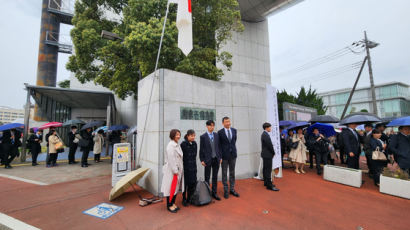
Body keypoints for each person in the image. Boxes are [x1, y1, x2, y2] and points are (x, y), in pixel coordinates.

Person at [161, 129, 184, 213]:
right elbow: (171, 159)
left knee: (175, 188)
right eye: (176, 135)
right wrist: (175, 170)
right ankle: (169, 205)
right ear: (172, 135)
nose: (178, 136)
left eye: (179, 134)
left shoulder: (176, 145)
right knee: (171, 188)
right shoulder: (170, 146)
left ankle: (173, 203)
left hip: (177, 170)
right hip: (172, 171)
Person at [199, 120, 222, 201]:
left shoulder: (216, 135)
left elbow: (219, 147)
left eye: (213, 125)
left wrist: (220, 157)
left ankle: (214, 193)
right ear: (207, 126)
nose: (212, 127)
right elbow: (201, 149)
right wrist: (201, 160)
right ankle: (207, 194)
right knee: (207, 177)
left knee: (215, 177)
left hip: (216, 159)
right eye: (210, 126)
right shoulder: (203, 136)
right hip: (207, 160)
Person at [218, 117, 239, 199]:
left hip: (233, 155)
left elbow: (234, 141)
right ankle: (226, 190)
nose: (228, 123)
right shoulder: (220, 132)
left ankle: (232, 189)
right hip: (224, 156)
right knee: (224, 173)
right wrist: (220, 156)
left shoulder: (234, 130)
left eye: (229, 121)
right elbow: (219, 145)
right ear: (223, 123)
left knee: (232, 173)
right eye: (226, 122)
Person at [261, 123, 279, 191]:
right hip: (267, 154)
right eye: (270, 127)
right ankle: (269, 185)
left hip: (265, 154)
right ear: (266, 128)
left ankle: (266, 182)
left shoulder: (264, 134)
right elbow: (269, 145)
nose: (270, 129)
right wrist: (273, 152)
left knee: (266, 169)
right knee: (268, 170)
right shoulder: (265, 135)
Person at [181, 130, 197, 206]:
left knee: (192, 183)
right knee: (185, 184)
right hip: (186, 168)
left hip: (193, 167)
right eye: (191, 136)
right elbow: (181, 157)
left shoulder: (195, 143)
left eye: (194, 135)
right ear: (187, 136)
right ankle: (184, 199)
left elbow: (195, 155)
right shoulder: (183, 144)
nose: (193, 137)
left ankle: (190, 198)